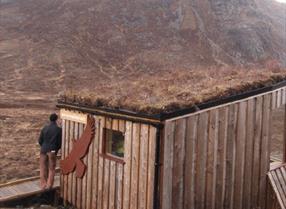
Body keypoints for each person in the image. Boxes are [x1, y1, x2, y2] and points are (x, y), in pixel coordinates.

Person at [38, 113, 62, 189]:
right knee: (52, 168)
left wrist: (43, 146)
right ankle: (49, 185)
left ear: (50, 119)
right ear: (56, 119)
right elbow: (59, 142)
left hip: (43, 149)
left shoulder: (44, 128)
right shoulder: (58, 130)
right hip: (52, 150)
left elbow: (40, 140)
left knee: (42, 167)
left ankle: (42, 185)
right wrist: (56, 150)